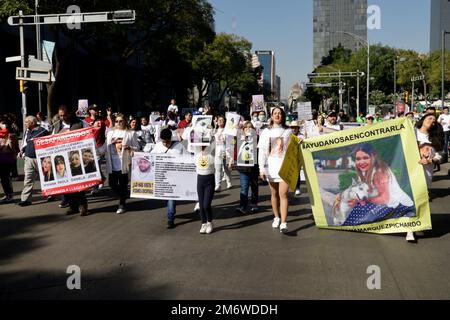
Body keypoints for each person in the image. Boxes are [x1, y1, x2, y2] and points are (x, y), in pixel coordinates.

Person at [258, 107, 292, 233]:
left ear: (283, 116)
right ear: (271, 116)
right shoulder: (266, 132)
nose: (277, 115)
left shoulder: (288, 131)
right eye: (275, 113)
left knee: (283, 194)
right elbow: (261, 151)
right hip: (271, 167)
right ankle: (276, 217)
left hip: (284, 167)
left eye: (280, 113)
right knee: (274, 194)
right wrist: (261, 168)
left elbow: (292, 149)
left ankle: (284, 222)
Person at [53, 105, 88, 216]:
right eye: (60, 115)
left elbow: (88, 135)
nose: (63, 117)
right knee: (67, 186)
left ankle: (83, 206)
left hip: (76, 158)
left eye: (64, 115)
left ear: (70, 113)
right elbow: (52, 139)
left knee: (79, 184)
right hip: (63, 159)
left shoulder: (80, 123)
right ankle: (73, 207)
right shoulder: (57, 125)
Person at [151, 128, 186, 229]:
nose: (165, 143)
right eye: (163, 141)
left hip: (175, 178)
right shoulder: (157, 146)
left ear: (171, 138)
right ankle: (171, 210)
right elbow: (150, 157)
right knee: (168, 198)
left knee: (171, 198)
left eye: (167, 141)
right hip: (162, 178)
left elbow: (188, 159)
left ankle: (170, 218)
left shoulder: (179, 146)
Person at [105, 113, 139, 214]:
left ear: (125, 122)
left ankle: (122, 204)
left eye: (121, 121)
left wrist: (130, 148)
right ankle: (123, 195)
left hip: (124, 162)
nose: (118, 123)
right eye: (116, 121)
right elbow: (105, 146)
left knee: (123, 184)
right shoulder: (110, 133)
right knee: (112, 183)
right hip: (112, 162)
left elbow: (137, 148)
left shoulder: (130, 133)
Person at [17, 116, 49, 206]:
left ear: (32, 123)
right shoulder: (27, 131)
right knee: (28, 180)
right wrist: (23, 150)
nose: (25, 124)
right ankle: (25, 200)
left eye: (26, 122)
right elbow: (25, 143)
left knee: (46, 178)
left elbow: (48, 143)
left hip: (41, 159)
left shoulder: (42, 131)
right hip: (28, 159)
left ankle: (51, 194)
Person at [232, 121, 259, 214]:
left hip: (254, 167)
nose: (248, 129)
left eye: (250, 127)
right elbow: (232, 143)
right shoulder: (239, 138)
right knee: (244, 187)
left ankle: (254, 204)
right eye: (246, 127)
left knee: (254, 186)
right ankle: (242, 206)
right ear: (243, 129)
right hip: (243, 168)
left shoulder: (256, 138)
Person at [195, 143, 216, 234]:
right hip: (200, 180)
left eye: (205, 146)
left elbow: (213, 144)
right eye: (201, 147)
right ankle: (203, 223)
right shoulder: (197, 155)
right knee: (201, 205)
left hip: (209, 180)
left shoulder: (211, 155)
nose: (203, 148)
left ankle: (209, 222)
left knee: (206, 205)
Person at [0, 116, 19, 204]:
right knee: (3, 178)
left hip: (6, 157)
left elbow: (12, 148)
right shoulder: (1, 134)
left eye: (3, 123)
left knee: (5, 177)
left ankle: (10, 195)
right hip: (1, 157)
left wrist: (9, 139)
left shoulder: (11, 135)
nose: (2, 125)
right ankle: (7, 194)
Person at [213, 116, 232, 192]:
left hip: (225, 151)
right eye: (219, 120)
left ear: (225, 122)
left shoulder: (227, 130)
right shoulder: (215, 130)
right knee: (218, 169)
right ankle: (218, 185)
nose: (220, 121)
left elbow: (231, 141)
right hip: (217, 152)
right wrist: (214, 126)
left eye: (222, 120)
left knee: (226, 168)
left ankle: (229, 181)